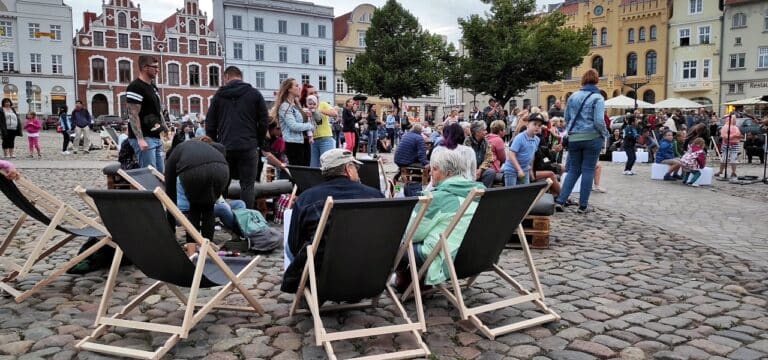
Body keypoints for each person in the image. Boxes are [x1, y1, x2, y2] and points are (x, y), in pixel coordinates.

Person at [281, 149, 383, 293]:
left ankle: (310, 288)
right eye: (356, 167)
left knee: (290, 247)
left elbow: (294, 244)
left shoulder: (307, 197)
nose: (358, 172)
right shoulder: (375, 195)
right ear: (348, 169)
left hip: (323, 272)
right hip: (367, 270)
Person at [395, 149, 485, 288]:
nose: (430, 173)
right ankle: (414, 278)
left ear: (448, 173)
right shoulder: (481, 192)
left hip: (445, 258)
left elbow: (411, 235)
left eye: (435, 169)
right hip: (477, 255)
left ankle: (404, 279)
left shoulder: (436, 198)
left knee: (395, 241)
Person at [206, 66, 269, 209]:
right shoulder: (254, 94)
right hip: (248, 146)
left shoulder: (219, 96)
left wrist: (215, 143)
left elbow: (210, 123)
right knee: (247, 185)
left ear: (226, 77)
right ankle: (247, 218)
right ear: (241, 76)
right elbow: (264, 121)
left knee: (222, 183)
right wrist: (257, 140)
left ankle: (220, 216)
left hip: (225, 146)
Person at [555, 69, 608, 213]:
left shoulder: (573, 96)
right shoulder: (598, 98)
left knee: (573, 170)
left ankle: (561, 200)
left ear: (583, 80)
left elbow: (566, 119)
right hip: (592, 138)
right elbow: (598, 120)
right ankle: (583, 206)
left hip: (574, 138)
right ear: (596, 80)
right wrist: (605, 133)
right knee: (588, 170)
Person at [164, 137, 229, 253]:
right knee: (209, 208)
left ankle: (192, 253)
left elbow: (170, 197)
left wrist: (171, 231)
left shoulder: (173, 157)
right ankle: (207, 252)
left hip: (194, 172)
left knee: (194, 209)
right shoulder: (195, 148)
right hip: (223, 169)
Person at [126, 55, 167, 171]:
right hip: (145, 138)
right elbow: (133, 114)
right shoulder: (135, 87)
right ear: (145, 67)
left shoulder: (153, 87)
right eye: (155, 67)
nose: (157, 70)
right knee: (149, 174)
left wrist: (164, 127)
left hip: (155, 136)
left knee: (160, 174)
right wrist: (140, 139)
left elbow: (157, 110)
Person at [273, 79, 313, 167]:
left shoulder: (296, 105)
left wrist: (306, 116)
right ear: (289, 89)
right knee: (299, 173)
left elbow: (301, 121)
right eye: (296, 85)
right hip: (294, 143)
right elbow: (293, 126)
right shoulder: (285, 106)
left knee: (305, 171)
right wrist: (310, 126)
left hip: (304, 141)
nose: (299, 88)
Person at [300, 84, 337, 167]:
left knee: (326, 166)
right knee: (313, 166)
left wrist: (318, 110)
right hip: (312, 140)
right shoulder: (305, 108)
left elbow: (335, 113)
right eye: (311, 93)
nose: (314, 95)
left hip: (325, 138)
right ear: (306, 96)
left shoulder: (323, 104)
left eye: (315, 92)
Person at [503, 113, 544, 186]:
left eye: (539, 125)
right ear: (528, 125)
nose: (537, 127)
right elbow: (511, 154)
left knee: (525, 192)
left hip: (525, 169)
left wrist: (531, 170)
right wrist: (519, 170)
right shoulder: (520, 137)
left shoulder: (537, 139)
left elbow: (532, 155)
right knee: (510, 193)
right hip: (511, 169)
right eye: (534, 124)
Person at [467, 120, 496, 187]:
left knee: (490, 172)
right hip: (468, 169)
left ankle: (484, 192)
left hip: (481, 169)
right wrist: (474, 171)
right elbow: (466, 159)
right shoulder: (467, 142)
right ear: (477, 132)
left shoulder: (486, 142)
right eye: (484, 130)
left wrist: (480, 170)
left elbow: (489, 158)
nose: (486, 132)